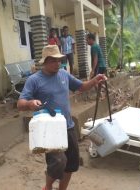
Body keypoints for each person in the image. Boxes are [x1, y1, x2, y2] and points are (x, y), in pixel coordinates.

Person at [17, 45, 107, 190]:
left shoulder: (64, 74)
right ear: (45, 62)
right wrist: (29, 103)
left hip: (68, 126)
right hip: (49, 129)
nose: (58, 63)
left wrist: (95, 80)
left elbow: (81, 87)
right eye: (53, 60)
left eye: (59, 60)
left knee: (71, 164)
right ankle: (47, 187)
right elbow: (20, 104)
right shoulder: (34, 80)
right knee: (59, 161)